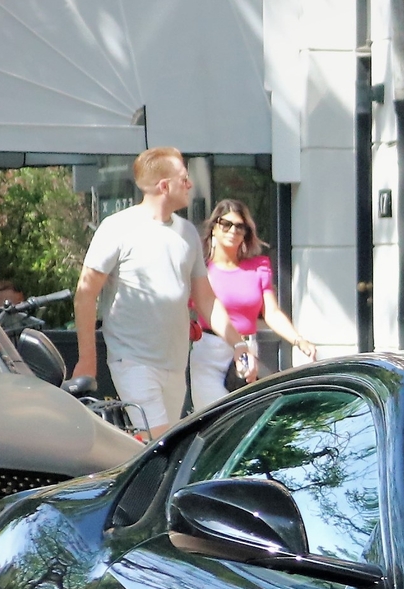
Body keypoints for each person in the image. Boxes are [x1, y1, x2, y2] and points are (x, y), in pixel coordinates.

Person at [71, 147, 241, 438]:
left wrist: (238, 345)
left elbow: (206, 300)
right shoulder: (117, 228)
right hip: (133, 361)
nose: (190, 184)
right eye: (184, 178)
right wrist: (87, 359)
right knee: (158, 443)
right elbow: (85, 294)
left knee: (161, 447)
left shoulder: (187, 233)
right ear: (164, 186)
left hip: (175, 366)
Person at [190, 198, 314, 411]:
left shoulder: (258, 267)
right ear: (213, 228)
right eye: (226, 224)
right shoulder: (201, 270)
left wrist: (298, 340)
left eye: (240, 226)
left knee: (243, 417)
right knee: (213, 419)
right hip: (210, 350)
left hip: (247, 351)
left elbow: (272, 313)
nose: (232, 231)